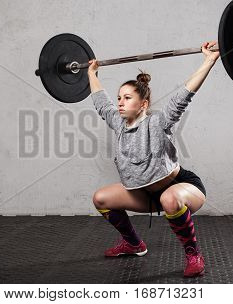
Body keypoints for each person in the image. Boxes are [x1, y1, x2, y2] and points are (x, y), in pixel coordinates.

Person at [88, 41, 220, 278]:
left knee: (170, 198)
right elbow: (101, 102)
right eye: (119, 97)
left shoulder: (158, 122)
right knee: (101, 198)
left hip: (180, 189)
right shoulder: (118, 125)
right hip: (145, 195)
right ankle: (133, 244)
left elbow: (183, 95)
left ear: (143, 105)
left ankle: (193, 255)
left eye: (127, 98)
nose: (119, 102)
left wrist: (209, 61)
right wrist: (91, 73)